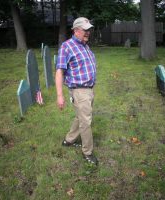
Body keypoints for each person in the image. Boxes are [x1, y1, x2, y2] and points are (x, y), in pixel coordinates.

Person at [55, 17, 98, 165]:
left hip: (89, 89)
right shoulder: (67, 46)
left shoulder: (85, 46)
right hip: (79, 91)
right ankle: (88, 152)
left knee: (81, 117)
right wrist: (60, 96)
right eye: (85, 29)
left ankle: (69, 140)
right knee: (86, 121)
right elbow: (59, 72)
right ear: (75, 30)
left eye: (89, 29)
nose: (88, 32)